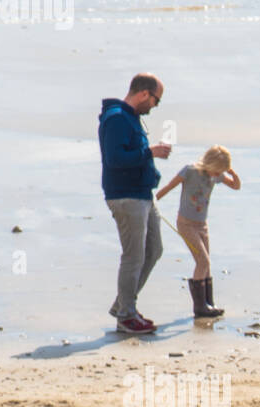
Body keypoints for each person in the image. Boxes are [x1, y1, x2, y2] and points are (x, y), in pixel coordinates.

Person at [98, 73, 171, 334]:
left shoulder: (130, 118)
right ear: (143, 94)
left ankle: (123, 306)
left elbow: (131, 156)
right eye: (156, 100)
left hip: (142, 194)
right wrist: (149, 152)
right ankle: (126, 314)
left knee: (154, 249)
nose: (155, 106)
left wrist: (150, 159)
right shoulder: (117, 118)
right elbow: (115, 159)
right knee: (134, 256)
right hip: (126, 197)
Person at [155, 145, 241, 319]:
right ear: (209, 164)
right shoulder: (190, 171)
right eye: (217, 171)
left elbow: (236, 186)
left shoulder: (216, 177)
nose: (218, 175)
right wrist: (152, 201)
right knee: (202, 261)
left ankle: (209, 303)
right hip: (186, 224)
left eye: (220, 173)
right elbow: (170, 186)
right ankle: (199, 307)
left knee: (206, 264)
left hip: (202, 224)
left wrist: (233, 174)